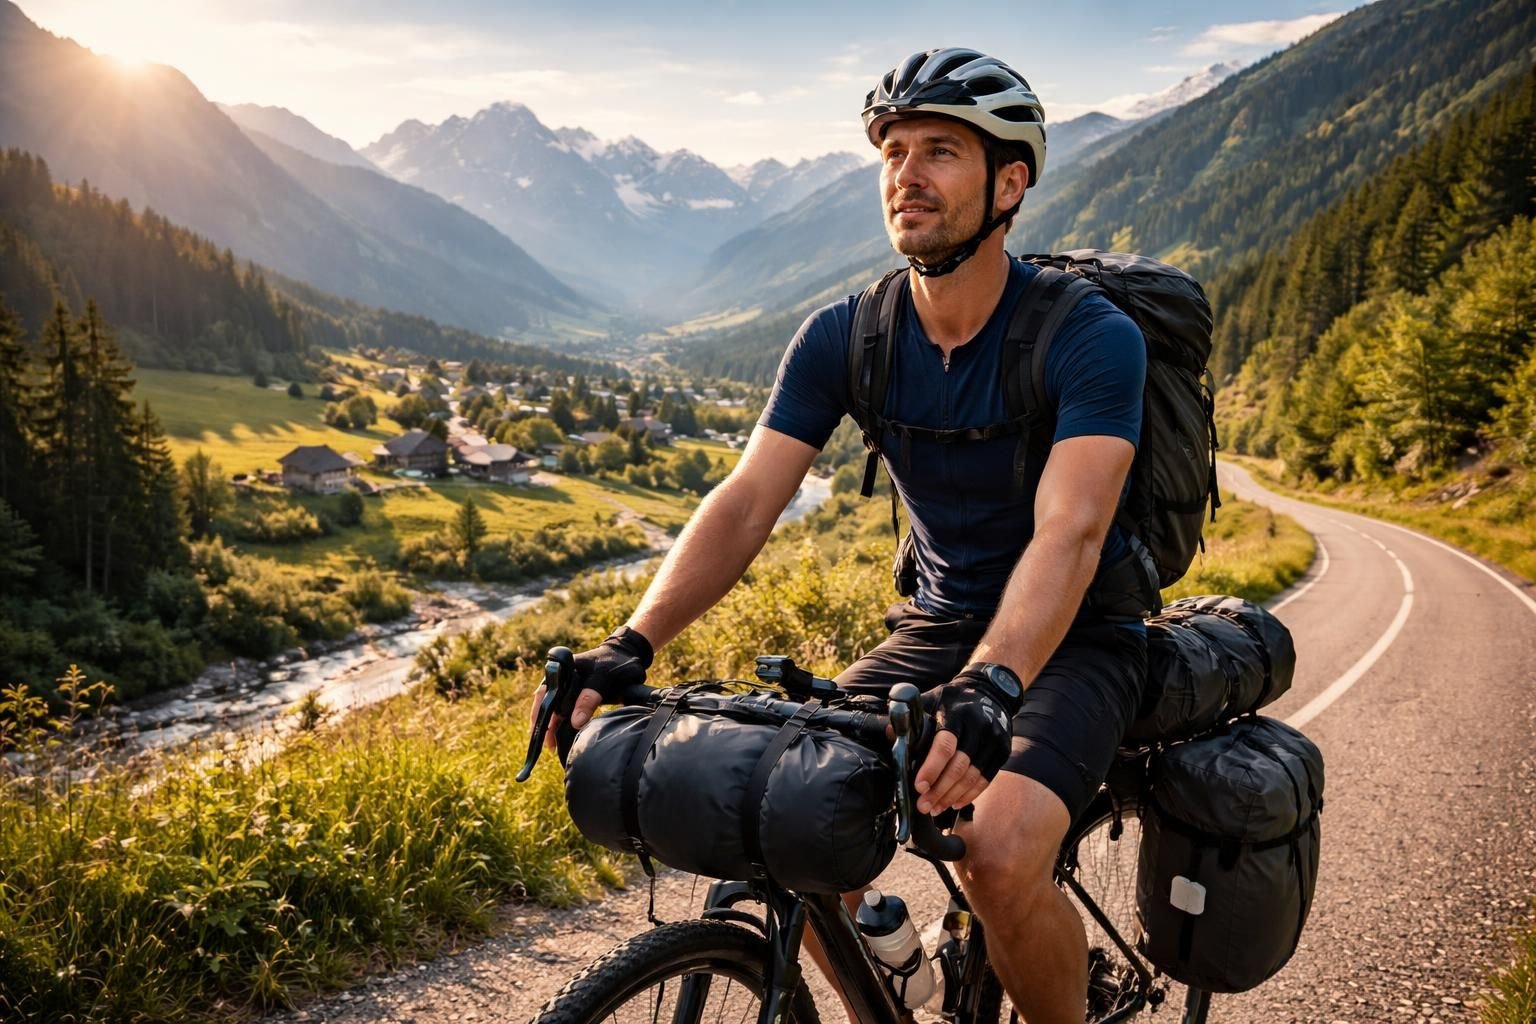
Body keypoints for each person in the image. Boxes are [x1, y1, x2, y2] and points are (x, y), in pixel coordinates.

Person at [536, 47, 1150, 1024]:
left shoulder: (1089, 335)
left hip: (1077, 636)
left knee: (994, 853)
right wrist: (631, 642)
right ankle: (897, 986)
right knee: (782, 814)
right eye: (893, 152)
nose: (907, 174)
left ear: (1009, 184)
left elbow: (1071, 533)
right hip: (938, 624)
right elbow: (747, 501)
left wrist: (995, 686)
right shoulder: (848, 335)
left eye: (940, 150)